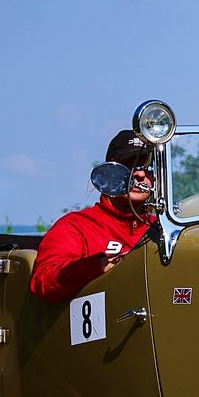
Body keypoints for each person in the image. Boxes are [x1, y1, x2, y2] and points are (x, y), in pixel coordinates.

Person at [29, 130, 156, 303]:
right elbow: (42, 282)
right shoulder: (75, 226)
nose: (140, 174)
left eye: (147, 167)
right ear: (109, 172)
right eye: (128, 165)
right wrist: (97, 266)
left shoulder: (163, 229)